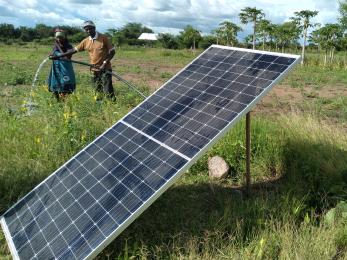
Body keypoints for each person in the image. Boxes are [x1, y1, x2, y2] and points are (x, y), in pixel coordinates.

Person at [50, 20, 116, 100]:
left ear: (94, 28)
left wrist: (104, 64)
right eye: (86, 29)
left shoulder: (103, 38)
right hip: (93, 69)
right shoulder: (86, 41)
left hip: (105, 68)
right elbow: (73, 50)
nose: (88, 31)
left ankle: (111, 104)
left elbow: (112, 52)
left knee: (107, 88)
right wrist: (59, 56)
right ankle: (99, 105)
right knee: (96, 89)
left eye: (90, 29)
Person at [48, 29, 76, 101]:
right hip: (56, 68)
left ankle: (65, 103)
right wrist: (51, 55)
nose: (59, 39)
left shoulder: (68, 46)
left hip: (65, 69)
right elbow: (52, 54)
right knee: (56, 86)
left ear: (64, 38)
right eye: (57, 37)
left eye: (60, 37)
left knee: (65, 86)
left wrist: (59, 49)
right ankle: (58, 102)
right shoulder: (55, 46)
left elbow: (67, 57)